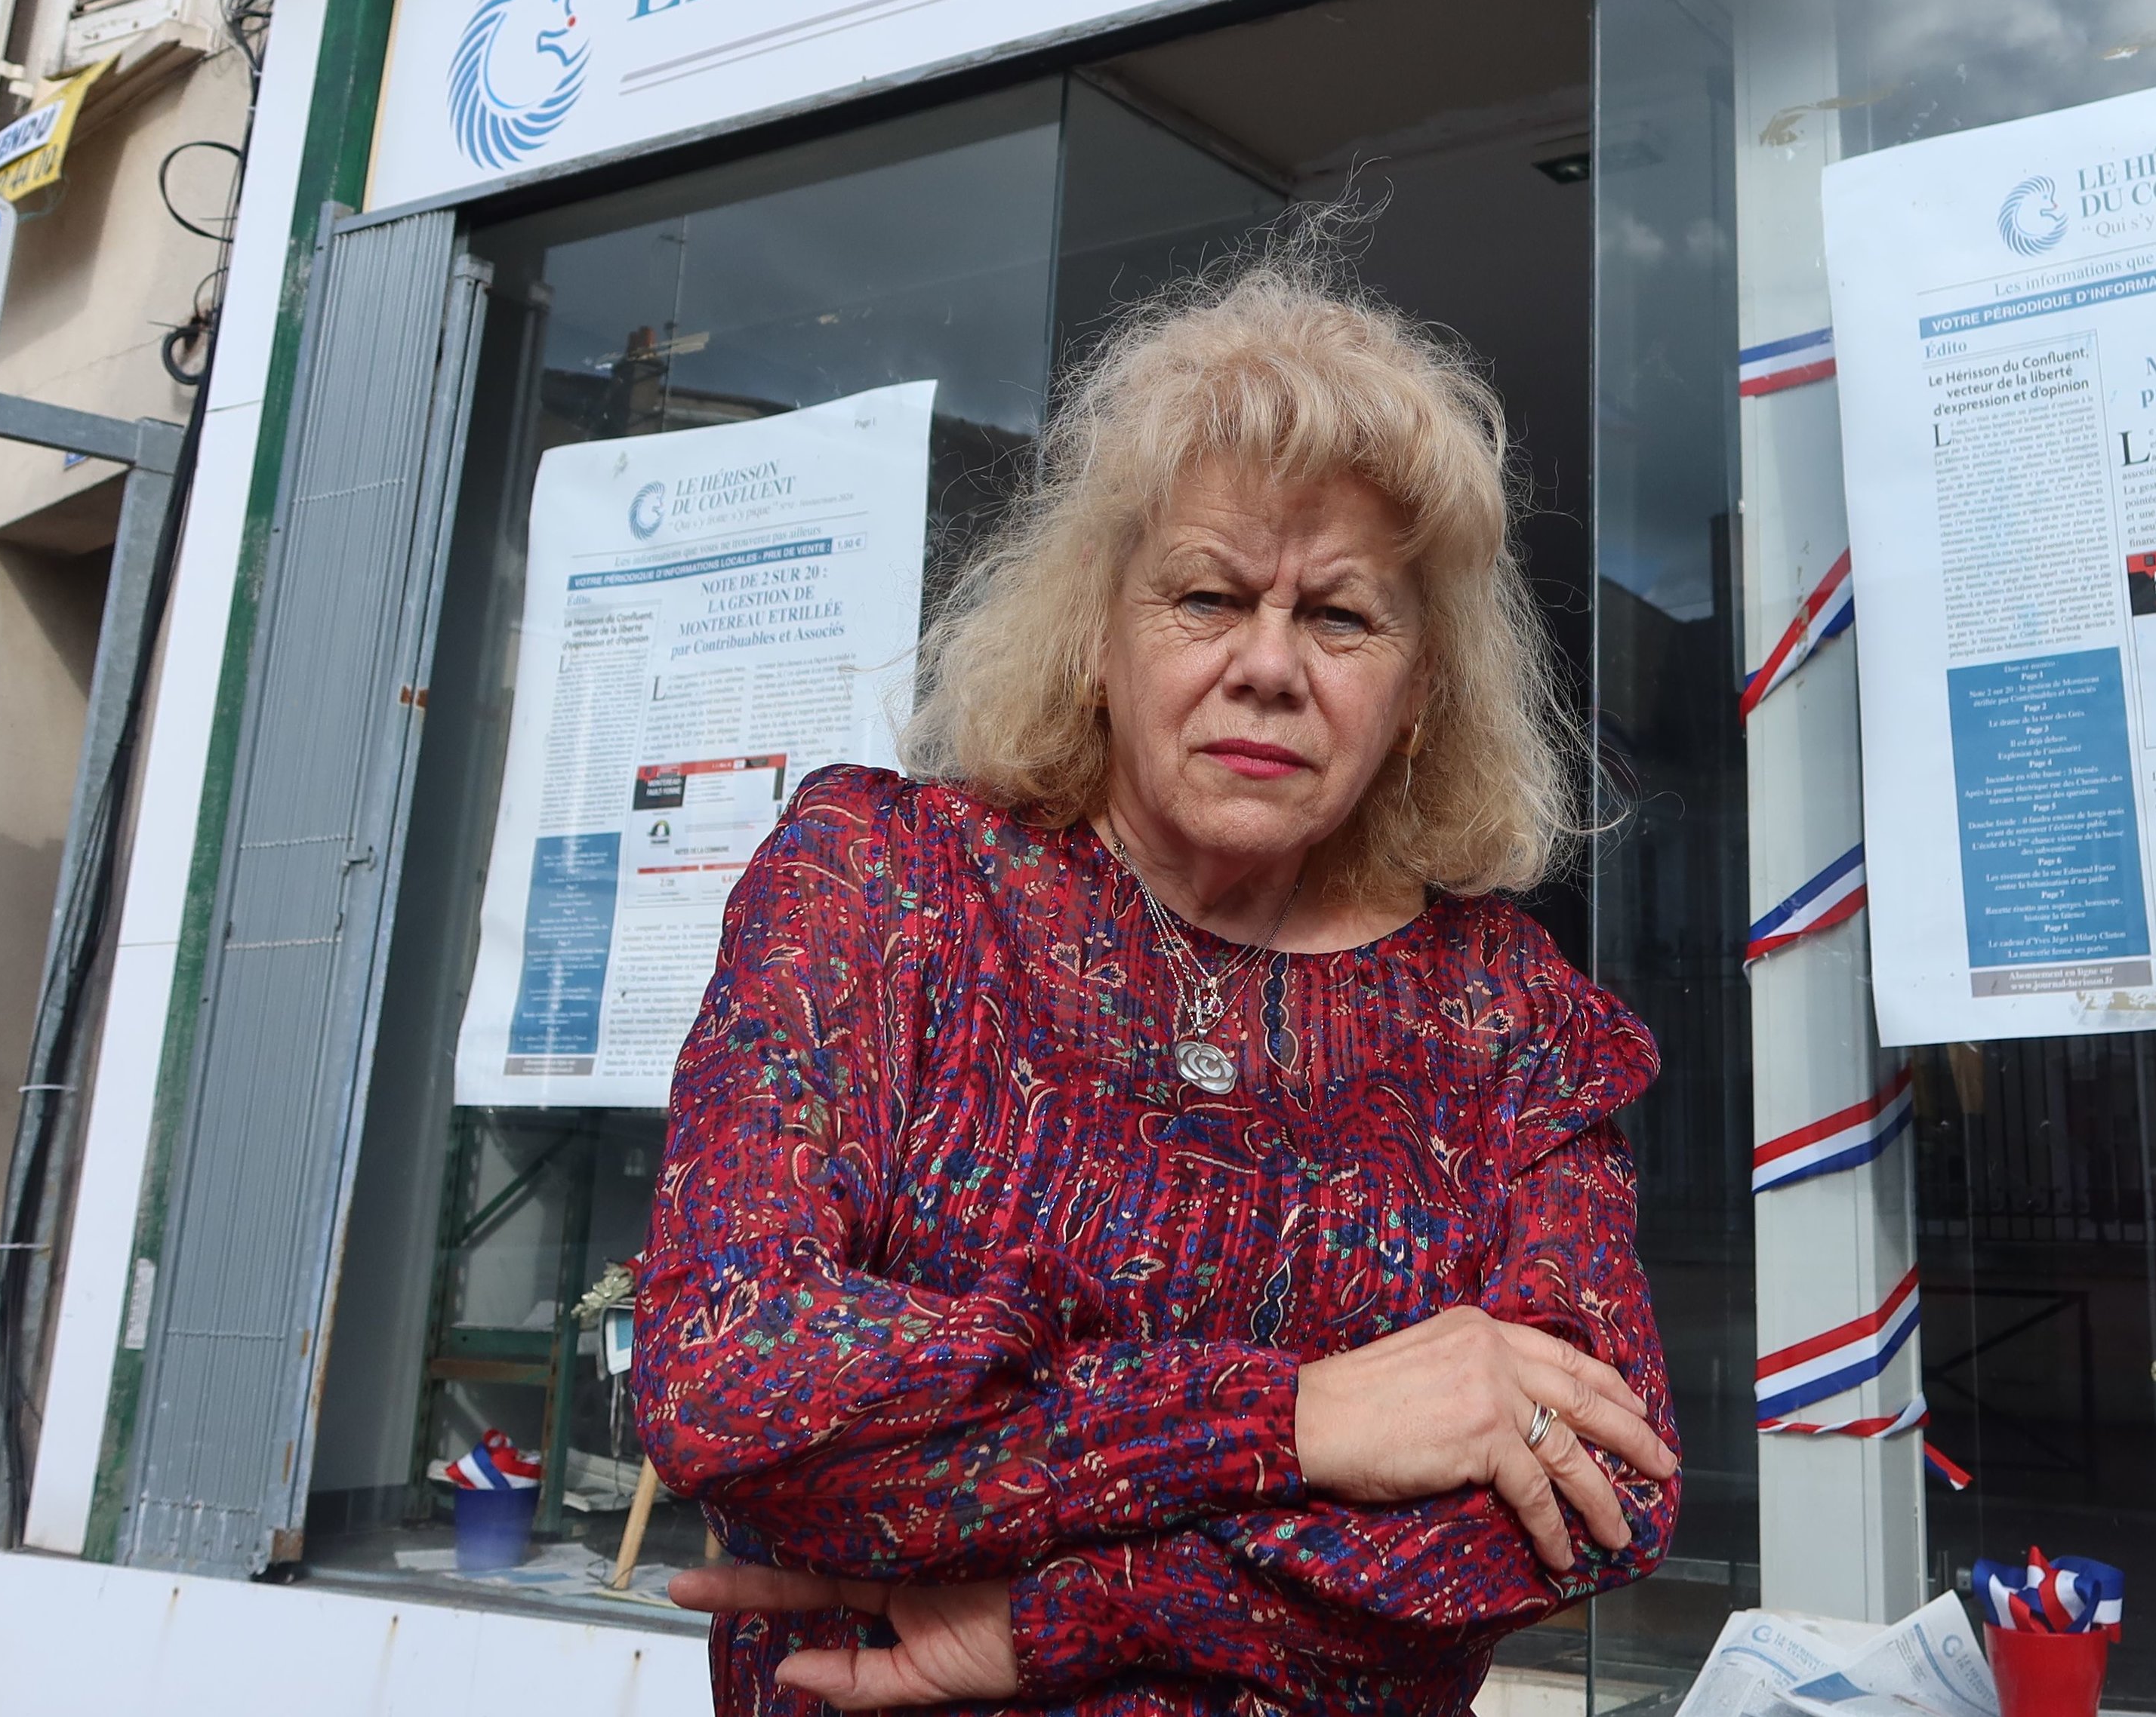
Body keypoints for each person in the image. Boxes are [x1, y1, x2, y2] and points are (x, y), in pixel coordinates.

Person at [634, 250, 1680, 1714]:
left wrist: (1064, 1614)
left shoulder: (1505, 1017)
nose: (1268, 665)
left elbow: (1591, 1500)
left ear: (1421, 690)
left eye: (1341, 615)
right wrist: (1304, 1418)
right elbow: (736, 1387)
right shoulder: (884, 888)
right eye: (1207, 594)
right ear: (1098, 636)